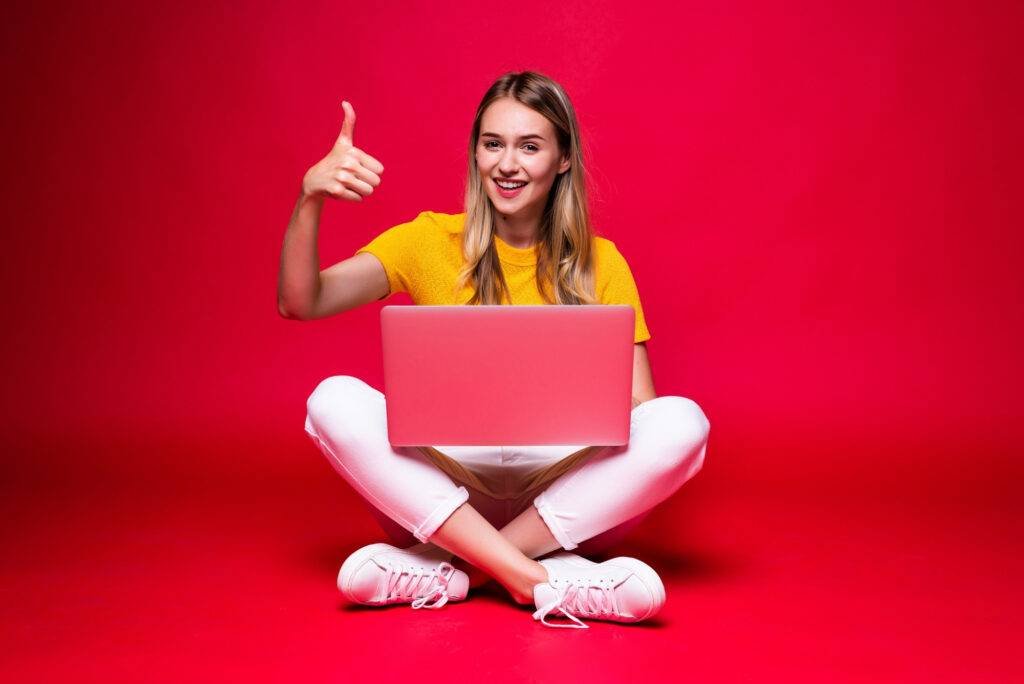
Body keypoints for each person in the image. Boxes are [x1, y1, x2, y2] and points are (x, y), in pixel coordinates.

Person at [277, 71, 710, 629]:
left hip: (562, 498)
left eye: (529, 146)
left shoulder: (602, 262)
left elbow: (643, 413)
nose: (507, 164)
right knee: (331, 399)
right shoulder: (425, 240)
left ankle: (461, 570)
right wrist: (310, 196)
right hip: (444, 489)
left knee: (681, 422)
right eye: (492, 144)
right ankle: (541, 579)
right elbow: (300, 301)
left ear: (562, 159)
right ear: (475, 153)